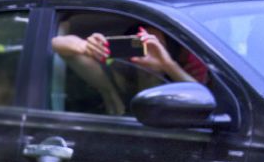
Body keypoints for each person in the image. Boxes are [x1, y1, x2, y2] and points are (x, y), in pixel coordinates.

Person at [51, 23, 208, 115]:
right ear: (129, 47)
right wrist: (85, 46)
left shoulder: (177, 81)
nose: (148, 50)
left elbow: (205, 100)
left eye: (156, 45)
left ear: (169, 50)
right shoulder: (118, 79)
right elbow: (57, 43)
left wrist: (167, 65)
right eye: (140, 45)